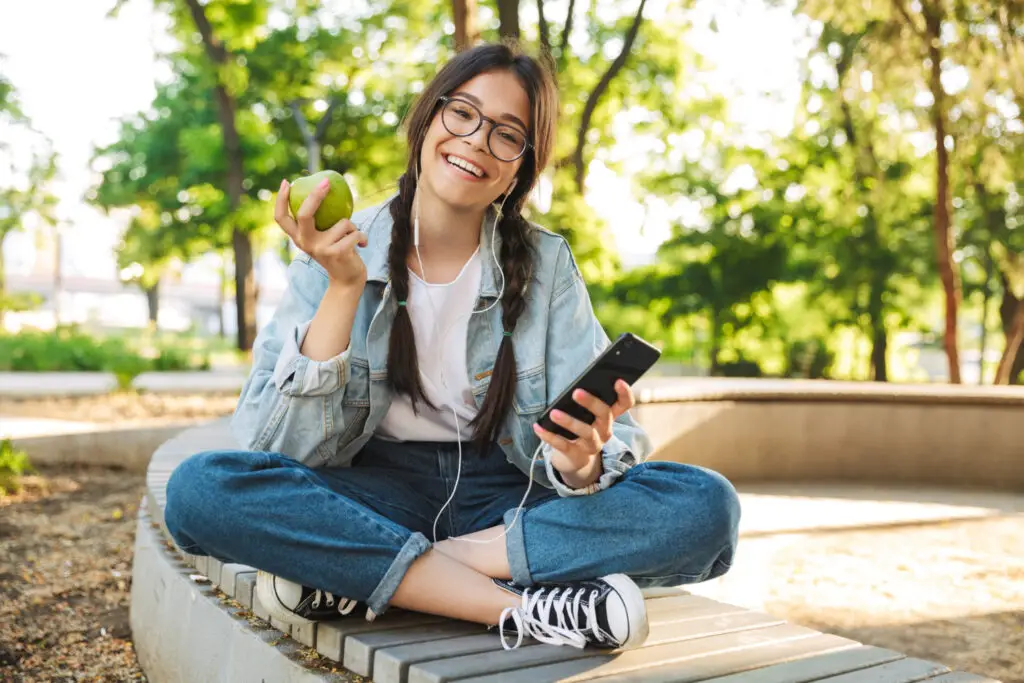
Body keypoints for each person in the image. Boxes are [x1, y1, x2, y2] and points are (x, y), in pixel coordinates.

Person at [164, 41, 740, 652]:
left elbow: (598, 454)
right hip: (376, 491)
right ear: (428, 117)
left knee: (706, 507)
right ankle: (520, 609)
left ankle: (366, 572)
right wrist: (342, 287)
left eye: (506, 134)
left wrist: (580, 463)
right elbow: (275, 448)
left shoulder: (546, 267)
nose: (475, 141)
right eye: (462, 113)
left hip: (508, 496)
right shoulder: (337, 245)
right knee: (201, 489)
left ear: (521, 166)